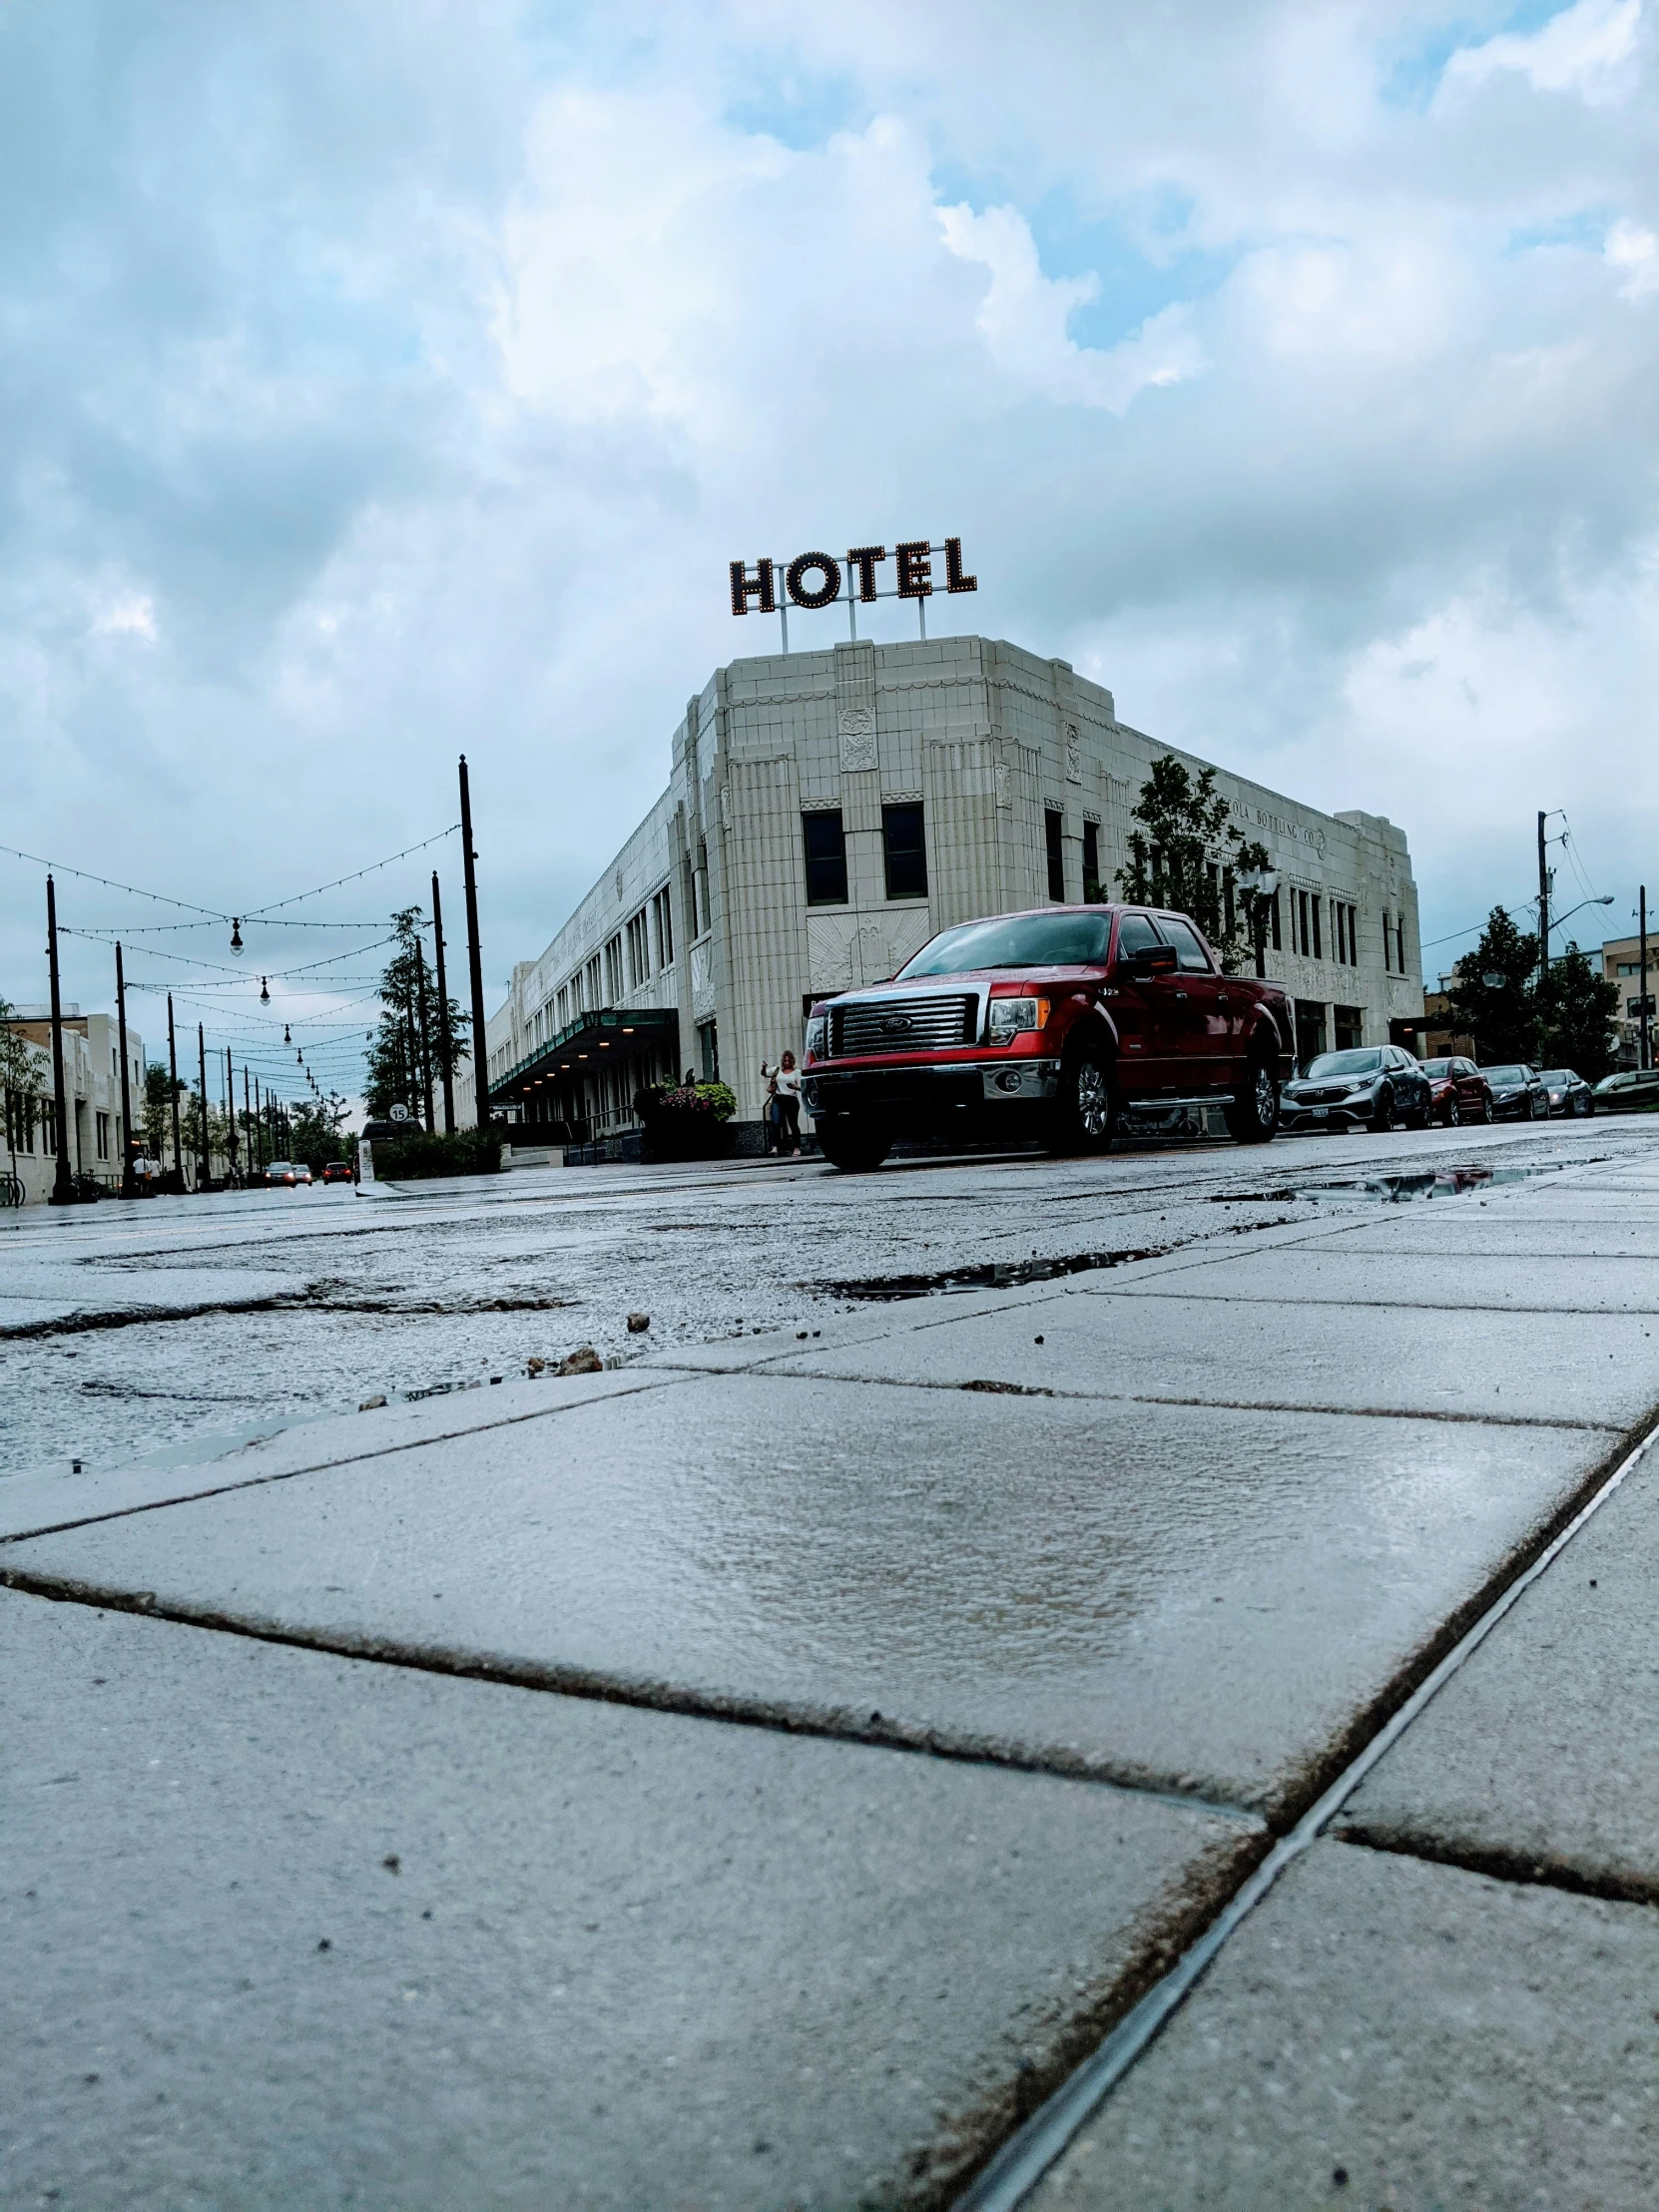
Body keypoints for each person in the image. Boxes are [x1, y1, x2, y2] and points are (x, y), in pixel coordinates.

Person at [762, 1050, 802, 1156]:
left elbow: (801, 1087)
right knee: (776, 1123)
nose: (786, 1062)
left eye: (788, 1060)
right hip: (778, 1099)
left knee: (793, 1124)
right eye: (785, 1060)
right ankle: (775, 1147)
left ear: (792, 1061)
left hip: (791, 1099)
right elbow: (765, 1074)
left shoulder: (796, 1072)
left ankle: (797, 1148)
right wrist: (764, 1067)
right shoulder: (777, 1070)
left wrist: (794, 1087)